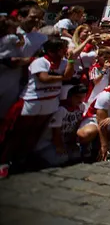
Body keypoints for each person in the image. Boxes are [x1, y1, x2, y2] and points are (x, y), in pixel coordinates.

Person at [0, 38, 76, 178]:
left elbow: (69, 76)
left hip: (50, 101)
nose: (65, 51)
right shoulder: (40, 61)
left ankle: (22, 158)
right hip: (32, 100)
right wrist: (61, 77)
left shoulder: (65, 62)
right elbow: (44, 78)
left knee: (35, 132)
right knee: (19, 132)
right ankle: (3, 162)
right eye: (61, 48)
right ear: (51, 50)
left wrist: (71, 62)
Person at [34, 84, 87, 166]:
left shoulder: (81, 107)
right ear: (69, 97)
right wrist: (59, 146)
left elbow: (76, 126)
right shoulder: (61, 110)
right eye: (77, 97)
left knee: (76, 155)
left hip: (65, 141)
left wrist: (72, 143)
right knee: (61, 159)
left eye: (83, 97)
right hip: (49, 143)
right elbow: (56, 131)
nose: (80, 100)